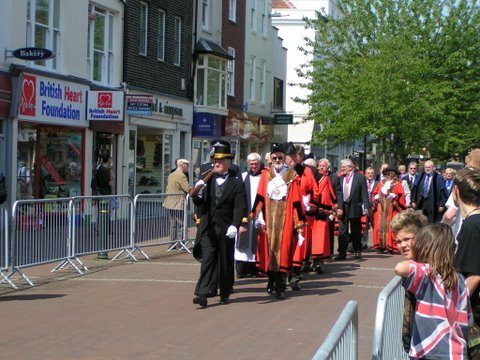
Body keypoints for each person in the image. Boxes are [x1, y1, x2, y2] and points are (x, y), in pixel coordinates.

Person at [394, 223, 471, 359]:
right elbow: (468, 319)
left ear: (425, 249)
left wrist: (425, 266)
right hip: (456, 352)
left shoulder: (429, 275)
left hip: (430, 352)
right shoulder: (459, 279)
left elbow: (400, 268)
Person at [191, 141, 246, 308]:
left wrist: (235, 225)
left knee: (225, 260)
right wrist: (197, 193)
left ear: (228, 163)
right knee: (207, 258)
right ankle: (202, 293)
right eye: (215, 160)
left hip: (225, 227)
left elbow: (239, 206)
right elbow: (200, 203)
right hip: (208, 226)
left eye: (220, 161)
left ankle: (225, 291)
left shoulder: (236, 183)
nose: (216, 163)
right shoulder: (206, 179)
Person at [251, 143, 306, 299]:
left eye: (280, 157)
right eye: (274, 157)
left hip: (285, 220)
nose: (277, 160)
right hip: (268, 220)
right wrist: (257, 215)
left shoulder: (292, 176)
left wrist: (299, 223)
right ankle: (270, 283)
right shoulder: (265, 175)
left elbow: (296, 201)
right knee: (269, 252)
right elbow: (260, 196)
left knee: (283, 253)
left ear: (284, 158)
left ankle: (280, 287)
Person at [390, 208, 429, 353]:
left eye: (407, 239)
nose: (402, 246)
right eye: (398, 241)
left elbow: (400, 268)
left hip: (429, 343)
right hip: (416, 341)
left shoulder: (428, 260)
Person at [452, 168, 480, 358]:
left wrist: (452, 309)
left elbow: (474, 275)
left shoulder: (472, 225)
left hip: (475, 313)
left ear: (456, 191)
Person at [286, 143, 319, 290]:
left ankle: (295, 277)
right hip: (285, 214)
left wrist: (309, 200)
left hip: (301, 214)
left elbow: (315, 190)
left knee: (299, 246)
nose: (293, 159)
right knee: (285, 245)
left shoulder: (306, 171)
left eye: (296, 156)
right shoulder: (283, 171)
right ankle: (283, 275)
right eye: (290, 156)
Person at [235, 153, 264, 278]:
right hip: (245, 213)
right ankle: (242, 269)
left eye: (256, 164)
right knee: (242, 239)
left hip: (259, 213)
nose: (253, 166)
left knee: (257, 239)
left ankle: (255, 268)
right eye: (251, 164)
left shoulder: (265, 177)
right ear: (248, 164)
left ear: (259, 163)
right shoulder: (243, 176)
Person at [335, 158, 369, 260]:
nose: (342, 169)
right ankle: (342, 253)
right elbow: (338, 193)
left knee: (356, 230)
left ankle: (357, 250)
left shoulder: (360, 177)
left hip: (355, 206)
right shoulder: (340, 178)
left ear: (350, 167)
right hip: (343, 206)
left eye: (344, 167)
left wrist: (366, 207)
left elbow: (364, 193)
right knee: (342, 230)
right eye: (342, 167)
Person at [371, 168, 407, 253]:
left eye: (389, 174)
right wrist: (376, 198)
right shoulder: (381, 183)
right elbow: (375, 194)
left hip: (391, 209)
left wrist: (395, 198)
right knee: (379, 227)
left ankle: (390, 246)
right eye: (386, 174)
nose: (388, 176)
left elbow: (401, 197)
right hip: (381, 208)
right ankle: (381, 246)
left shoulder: (397, 184)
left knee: (391, 227)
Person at [163, 159, 192, 242]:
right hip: (178, 204)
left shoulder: (172, 174)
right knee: (181, 224)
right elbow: (187, 189)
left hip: (170, 203)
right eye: (186, 165)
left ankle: (173, 243)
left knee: (173, 225)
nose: (188, 167)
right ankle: (181, 242)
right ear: (181, 165)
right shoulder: (181, 175)